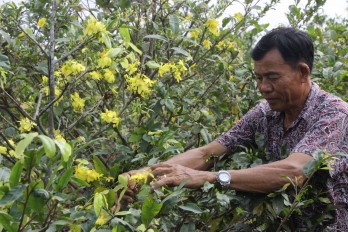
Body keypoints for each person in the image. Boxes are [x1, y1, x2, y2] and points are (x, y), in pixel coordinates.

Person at [123, 27, 348, 231]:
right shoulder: (264, 114)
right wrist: (142, 176)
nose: (263, 88)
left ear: (303, 72)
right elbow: (207, 153)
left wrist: (211, 177)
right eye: (258, 78)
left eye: (272, 78)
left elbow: (295, 171)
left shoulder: (334, 114)